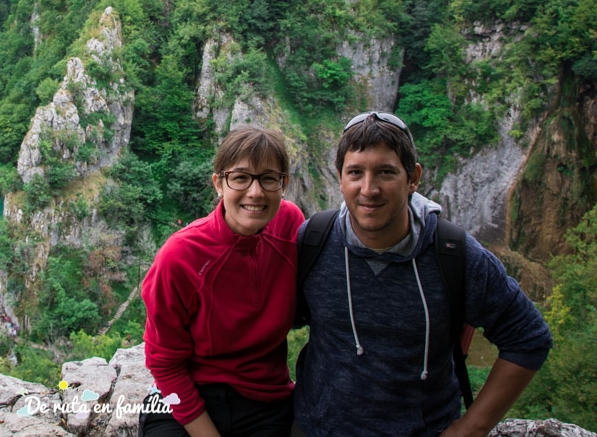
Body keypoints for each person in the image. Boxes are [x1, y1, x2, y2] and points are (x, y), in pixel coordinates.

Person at [294, 112, 552, 437]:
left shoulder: (454, 254)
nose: (369, 189)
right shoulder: (313, 241)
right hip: (317, 429)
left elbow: (528, 336)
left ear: (413, 178)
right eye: (355, 173)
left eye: (386, 172)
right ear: (340, 178)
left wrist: (472, 427)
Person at [141, 125, 305, 437]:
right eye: (240, 178)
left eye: (268, 178)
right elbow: (165, 364)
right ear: (219, 183)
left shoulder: (290, 227)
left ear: (283, 184)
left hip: (263, 400)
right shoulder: (181, 256)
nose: (255, 192)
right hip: (185, 394)